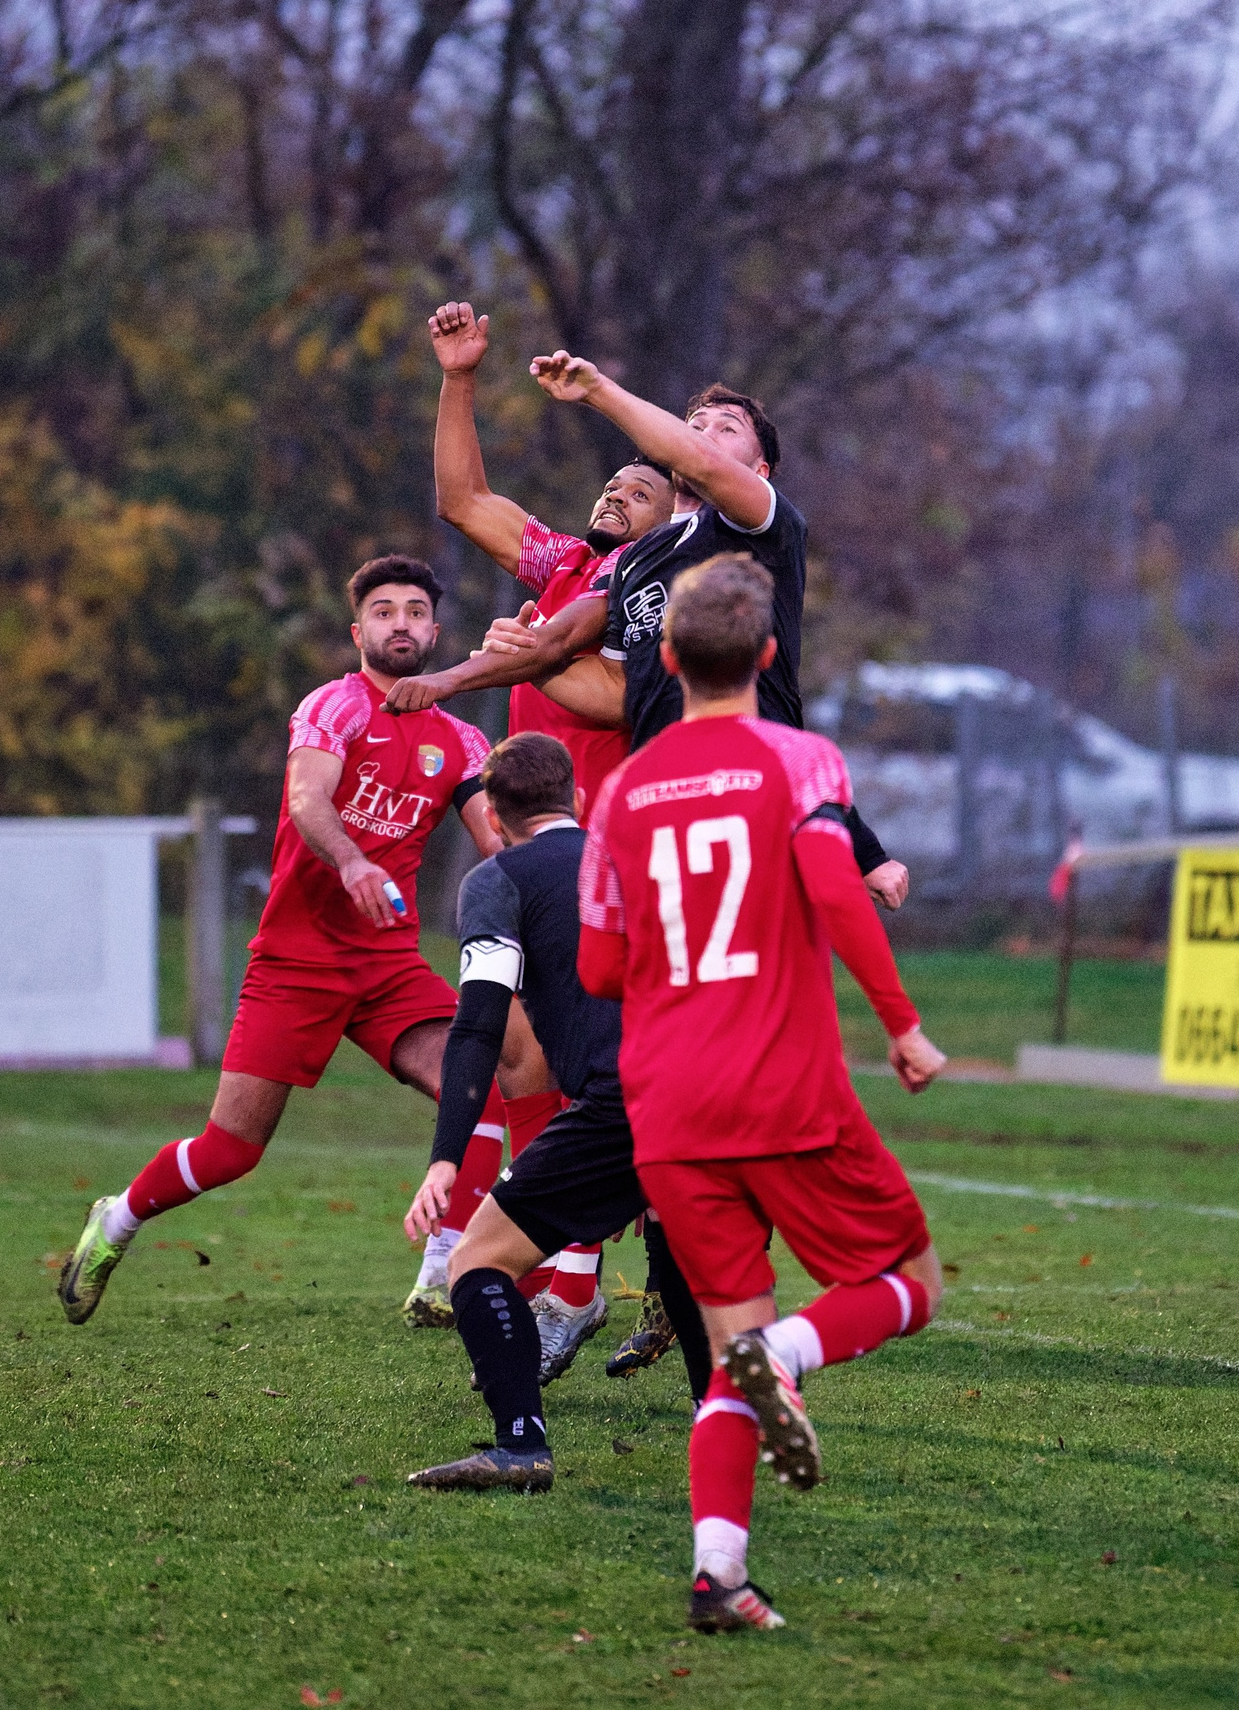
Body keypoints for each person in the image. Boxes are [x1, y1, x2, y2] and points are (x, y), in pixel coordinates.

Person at [576, 553, 948, 1633]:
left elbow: (600, 971)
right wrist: (901, 1022)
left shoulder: (622, 791)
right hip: (784, 1092)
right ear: (769, 655)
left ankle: (718, 1575)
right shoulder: (798, 758)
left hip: (669, 1112)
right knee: (910, 1279)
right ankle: (787, 1354)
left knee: (732, 1326)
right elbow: (834, 880)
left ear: (669, 658)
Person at [58, 557, 501, 1325]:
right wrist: (354, 858)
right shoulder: (334, 706)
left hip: (389, 963)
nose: (402, 622)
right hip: (296, 961)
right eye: (385, 610)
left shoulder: (459, 740)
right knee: (232, 1150)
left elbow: (501, 839)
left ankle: (441, 1272)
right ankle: (117, 1219)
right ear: (358, 630)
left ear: (435, 631)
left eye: (416, 610)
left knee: (483, 1088)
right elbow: (306, 799)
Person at [393, 299, 678, 1331]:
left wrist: (490, 665)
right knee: (519, 1046)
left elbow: (583, 677)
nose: (618, 486)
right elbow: (464, 499)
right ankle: (546, 1269)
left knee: (593, 1065)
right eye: (612, 477)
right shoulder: (565, 563)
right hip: (538, 851)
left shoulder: (652, 589)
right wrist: (460, 376)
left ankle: (582, 1278)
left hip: (606, 857)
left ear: (675, 521)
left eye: (641, 483)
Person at [385, 352, 909, 906]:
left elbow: (702, 466)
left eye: (725, 429)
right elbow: (618, 688)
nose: (704, 436)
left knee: (753, 970)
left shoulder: (759, 524)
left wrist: (598, 390)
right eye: (696, 425)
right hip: (662, 800)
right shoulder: (634, 560)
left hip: (751, 790)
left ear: (758, 474)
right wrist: (514, 660)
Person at [397, 736, 710, 1477]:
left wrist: (445, 1157)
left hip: (620, 1100)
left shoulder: (498, 877)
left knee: (477, 1260)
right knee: (681, 1246)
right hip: (703, 1084)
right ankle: (728, 1419)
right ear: (576, 799)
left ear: (496, 819)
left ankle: (520, 1444)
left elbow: (478, 1024)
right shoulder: (637, 855)